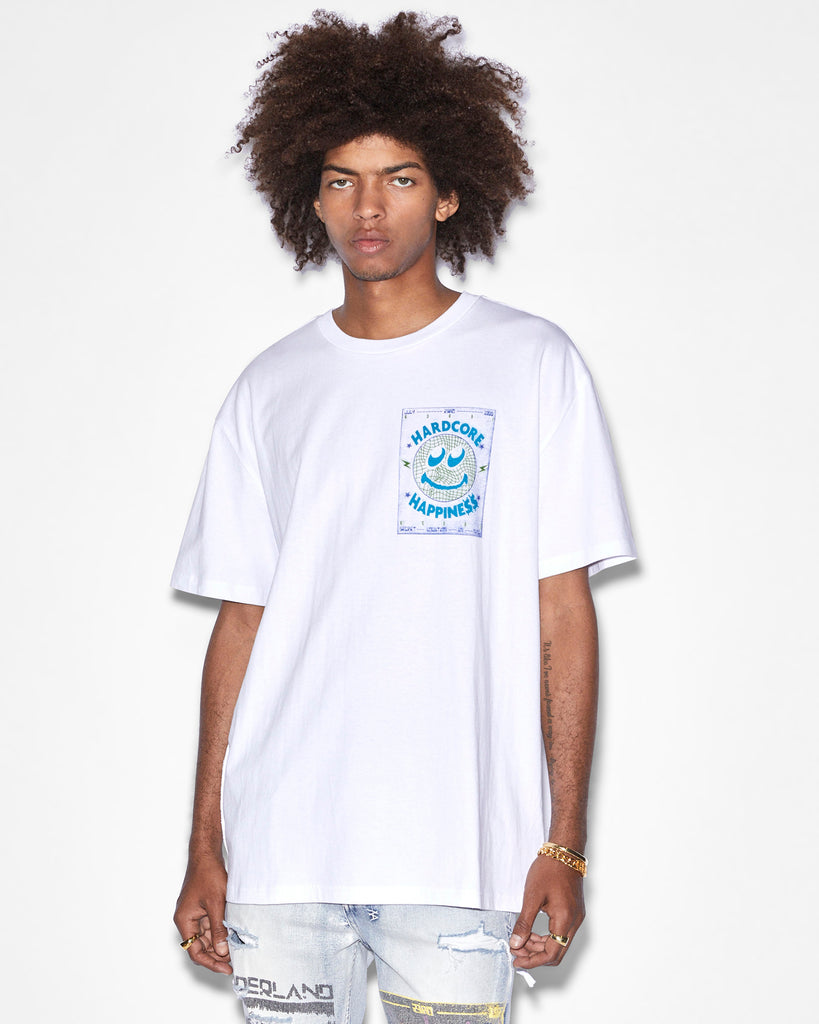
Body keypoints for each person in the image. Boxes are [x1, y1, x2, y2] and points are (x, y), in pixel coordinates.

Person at [171, 11, 635, 1023]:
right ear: (311, 196)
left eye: (401, 178)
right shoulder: (270, 387)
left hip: (459, 857)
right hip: (283, 859)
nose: (368, 208)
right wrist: (207, 843)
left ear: (451, 192)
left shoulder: (532, 365)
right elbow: (241, 624)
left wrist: (563, 843)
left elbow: (563, 612)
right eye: (341, 180)